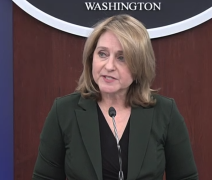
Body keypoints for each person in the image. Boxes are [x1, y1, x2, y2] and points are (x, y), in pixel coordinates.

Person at [32, 14, 198, 180]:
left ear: (139, 65)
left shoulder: (165, 113)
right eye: (102, 54)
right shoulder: (63, 112)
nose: (109, 66)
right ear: (91, 58)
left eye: (121, 58)